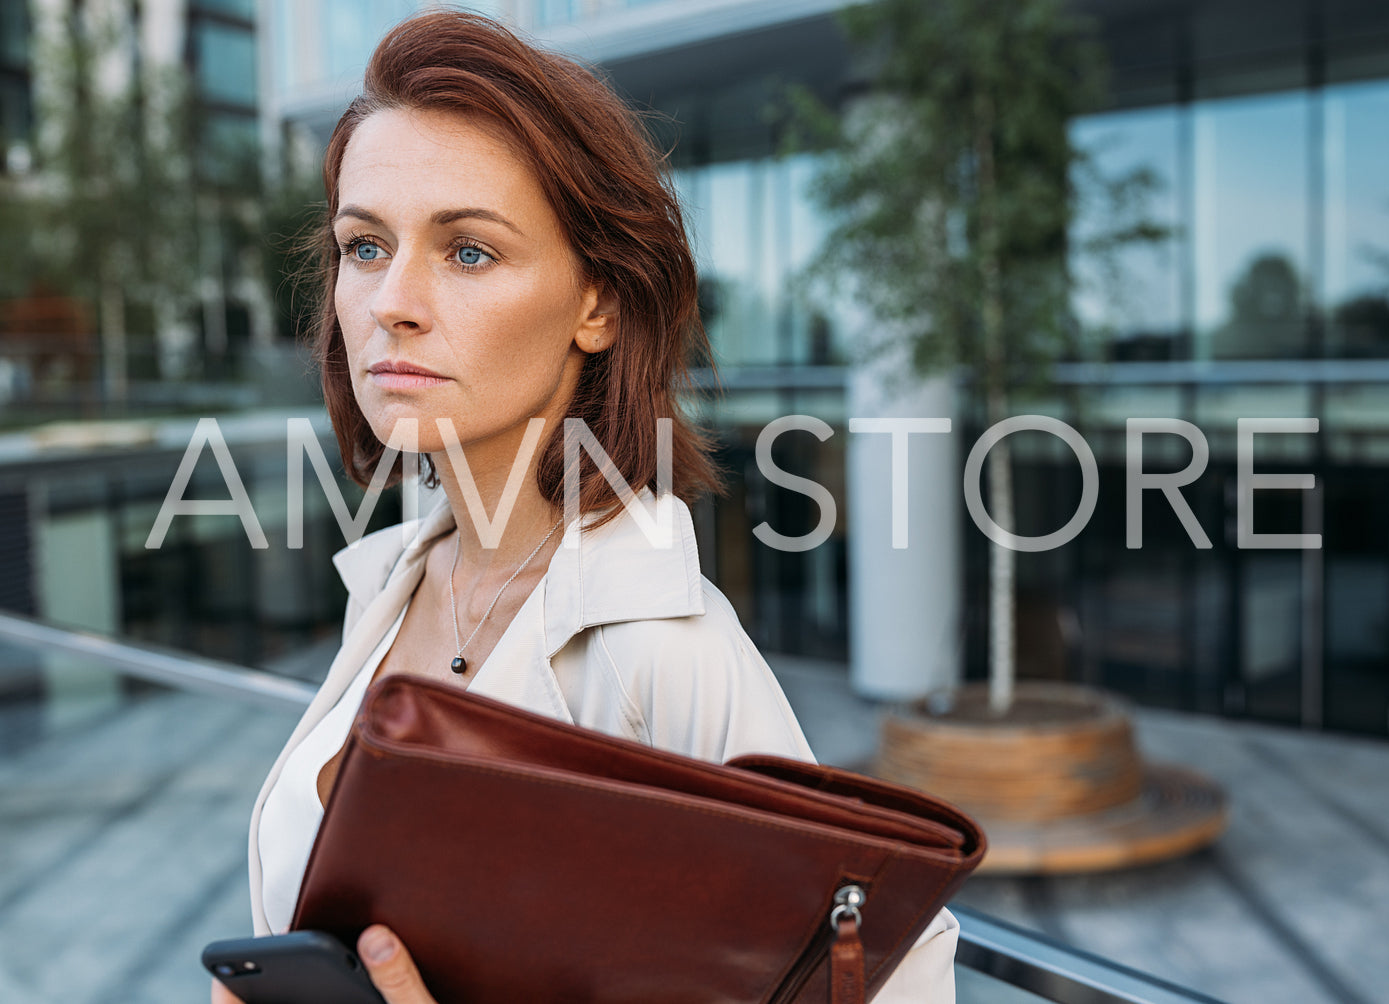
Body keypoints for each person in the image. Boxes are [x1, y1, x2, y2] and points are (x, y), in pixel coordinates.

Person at [214, 10, 958, 1002]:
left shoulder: (661, 646)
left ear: (596, 303)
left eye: (468, 251)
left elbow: (896, 974)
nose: (391, 299)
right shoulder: (393, 580)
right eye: (363, 245)